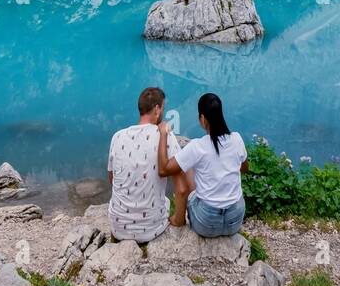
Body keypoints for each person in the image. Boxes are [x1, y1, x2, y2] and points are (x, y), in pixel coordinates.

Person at [157, 92, 248, 238]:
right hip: (234, 221)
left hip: (206, 224)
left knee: (184, 164)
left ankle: (178, 218)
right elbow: (244, 168)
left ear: (202, 118)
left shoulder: (197, 146)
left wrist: (163, 133)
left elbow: (164, 169)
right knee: (193, 163)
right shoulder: (237, 139)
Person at [106, 87, 192, 242]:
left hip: (118, 227)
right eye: (163, 108)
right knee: (165, 201)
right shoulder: (165, 136)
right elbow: (181, 189)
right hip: (152, 229)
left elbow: (112, 180)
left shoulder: (117, 137)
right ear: (157, 109)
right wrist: (179, 221)